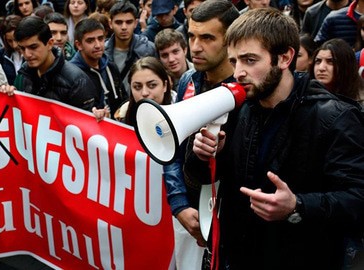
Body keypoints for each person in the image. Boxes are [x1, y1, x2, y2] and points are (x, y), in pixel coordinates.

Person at [186, 8, 364, 269]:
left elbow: (357, 199)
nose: (238, 73)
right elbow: (203, 179)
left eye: (250, 60)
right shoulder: (237, 108)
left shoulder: (336, 117)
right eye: (234, 61)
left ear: (284, 57)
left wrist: (297, 206)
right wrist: (206, 155)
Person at [161, 1, 239, 269]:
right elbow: (172, 146)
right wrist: (179, 202)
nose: (195, 47)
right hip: (191, 210)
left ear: (231, 41)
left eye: (207, 37)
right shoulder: (188, 81)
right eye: (192, 36)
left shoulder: (247, 90)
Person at [9, 16, 97, 111]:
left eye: (33, 47)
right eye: (22, 48)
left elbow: (86, 122)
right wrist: (8, 95)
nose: (27, 54)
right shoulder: (24, 74)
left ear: (50, 44)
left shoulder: (77, 81)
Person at [70, 18, 127, 120]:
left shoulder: (111, 67)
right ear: (79, 45)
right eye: (90, 41)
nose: (98, 45)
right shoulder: (71, 74)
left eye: (100, 39)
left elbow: (123, 98)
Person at [105, 1, 156, 93]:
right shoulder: (102, 52)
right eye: (119, 22)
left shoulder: (149, 49)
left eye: (129, 22)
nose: (124, 27)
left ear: (136, 23)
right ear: (110, 24)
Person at [115, 56, 172, 125]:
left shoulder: (180, 112)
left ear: (165, 86)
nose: (144, 93)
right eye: (137, 87)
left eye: (152, 85)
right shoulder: (122, 117)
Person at [311, 38, 364, 104]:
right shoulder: (305, 97)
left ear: (345, 65)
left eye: (330, 62)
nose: (321, 68)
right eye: (318, 61)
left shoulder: (360, 102)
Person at [0, 14, 23, 85]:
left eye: (16, 39)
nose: (14, 45)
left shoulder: (32, 52)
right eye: (9, 41)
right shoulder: (2, 54)